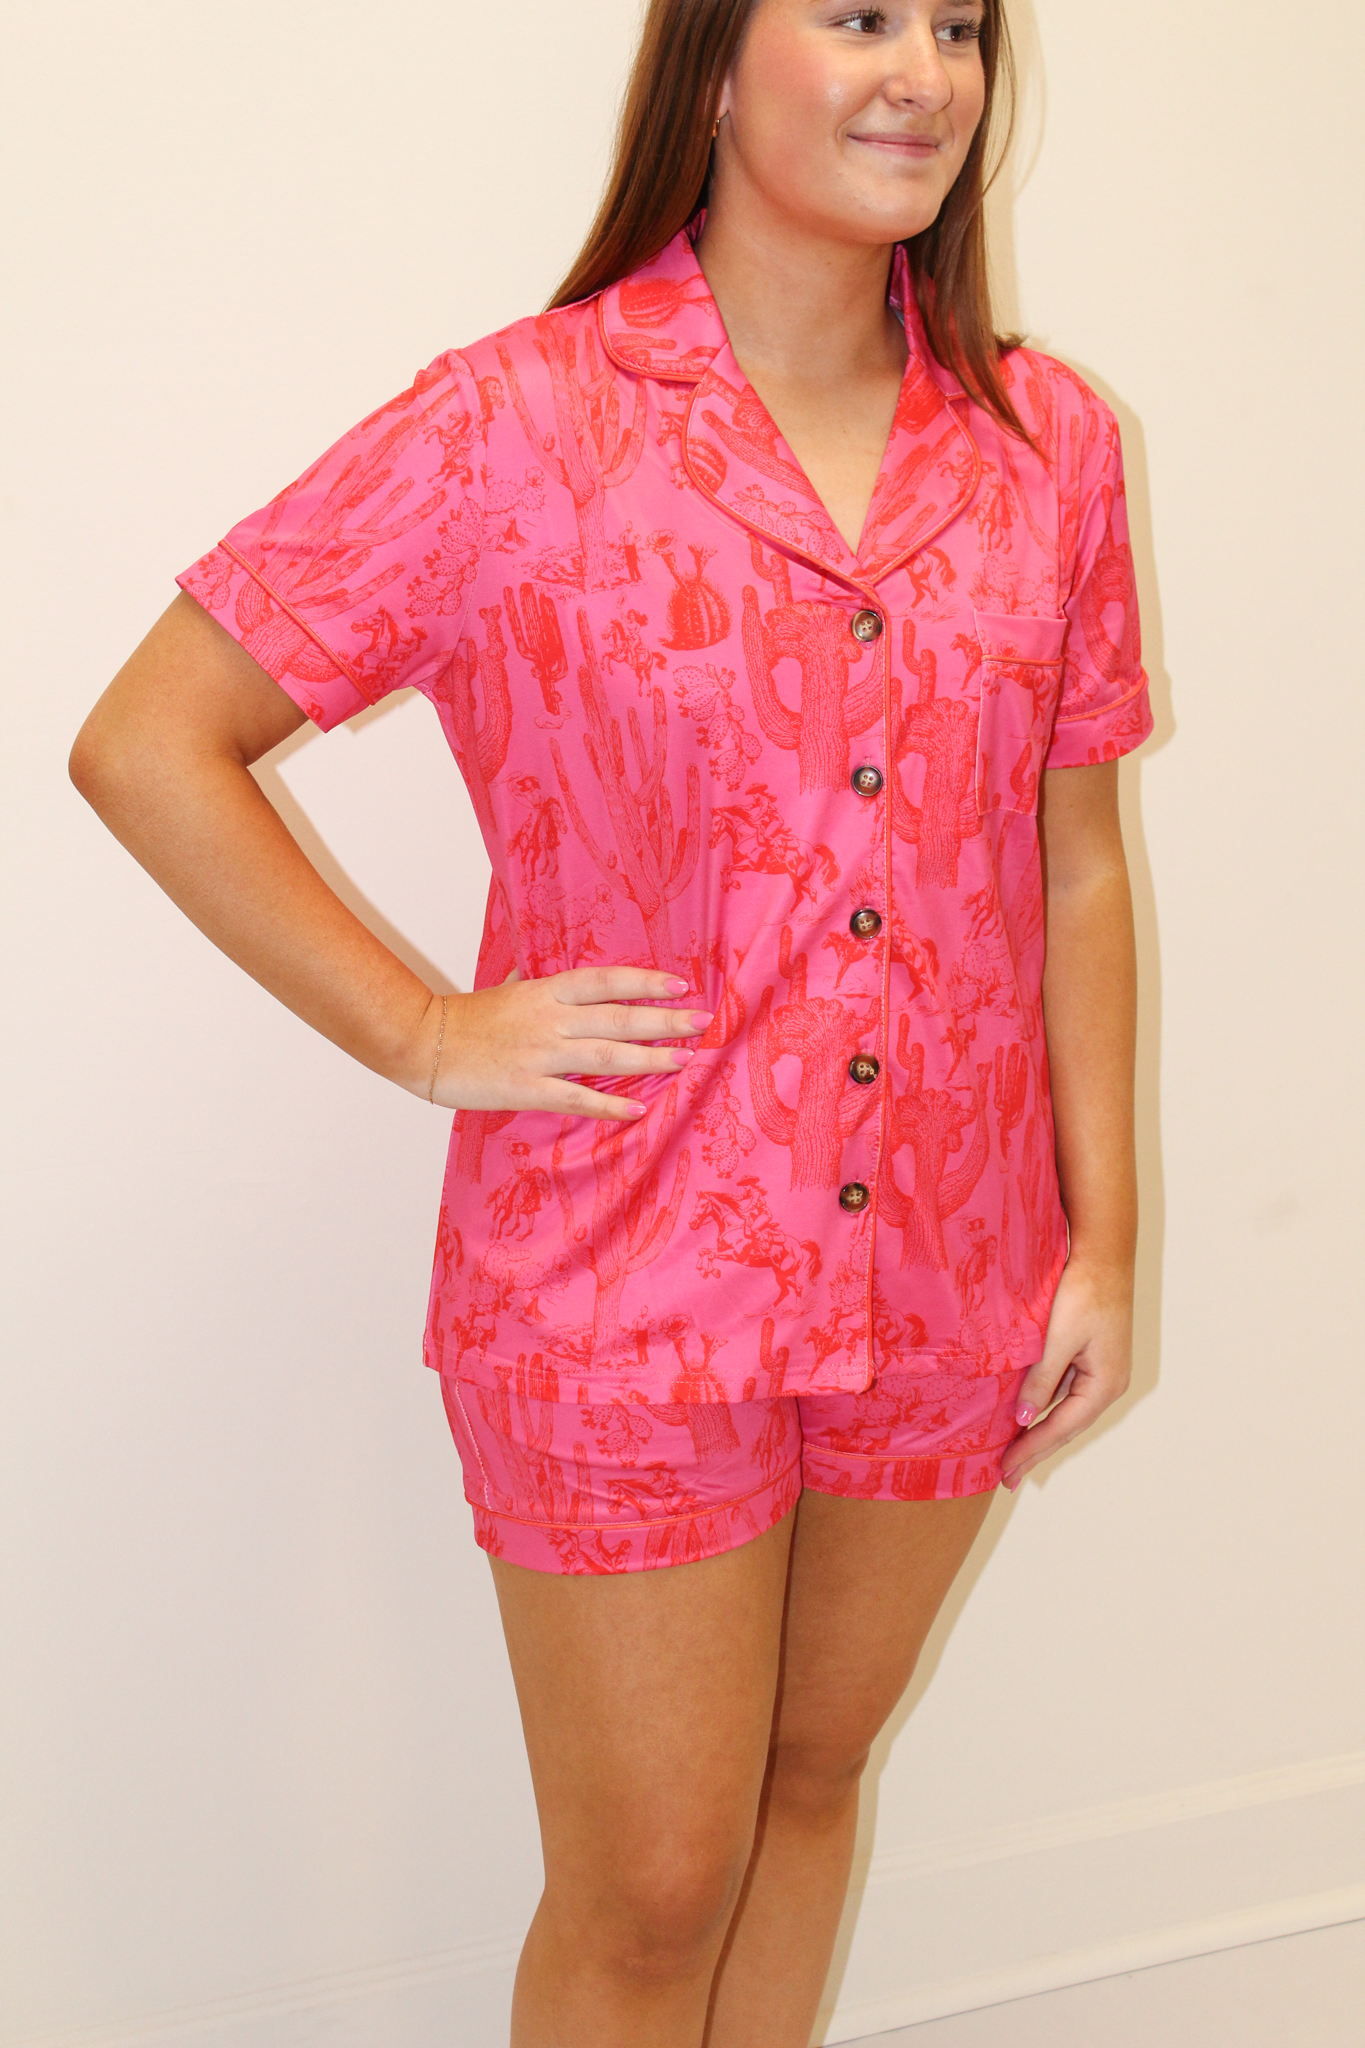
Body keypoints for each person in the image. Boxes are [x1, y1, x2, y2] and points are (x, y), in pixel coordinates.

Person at [69, 3, 1151, 2043]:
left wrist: (1103, 1238)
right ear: (714, 64)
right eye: (859, 16)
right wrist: (423, 1028)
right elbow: (150, 741)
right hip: (620, 1263)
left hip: (952, 1258)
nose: (922, 72)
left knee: (810, 1781)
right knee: (650, 1886)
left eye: (957, 26)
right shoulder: (515, 423)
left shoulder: (1047, 442)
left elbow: (1074, 859)